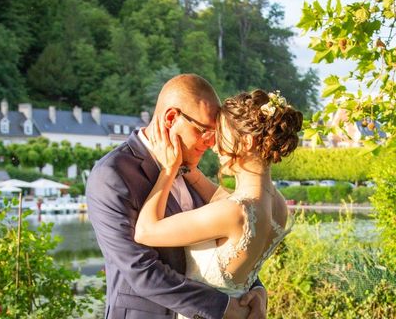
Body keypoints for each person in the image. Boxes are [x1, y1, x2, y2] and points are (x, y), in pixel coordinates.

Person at [86, 74, 267, 319]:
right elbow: (140, 270)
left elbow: (228, 246)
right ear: (171, 118)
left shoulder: (191, 170)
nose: (211, 142)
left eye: (215, 132)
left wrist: (255, 289)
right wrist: (224, 307)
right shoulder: (112, 174)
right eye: (204, 130)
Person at [135, 89, 303, 319]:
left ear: (246, 141)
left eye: (221, 134)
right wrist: (189, 168)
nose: (214, 146)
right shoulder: (278, 204)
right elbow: (223, 199)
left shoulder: (233, 212)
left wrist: (168, 169)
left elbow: (146, 232)